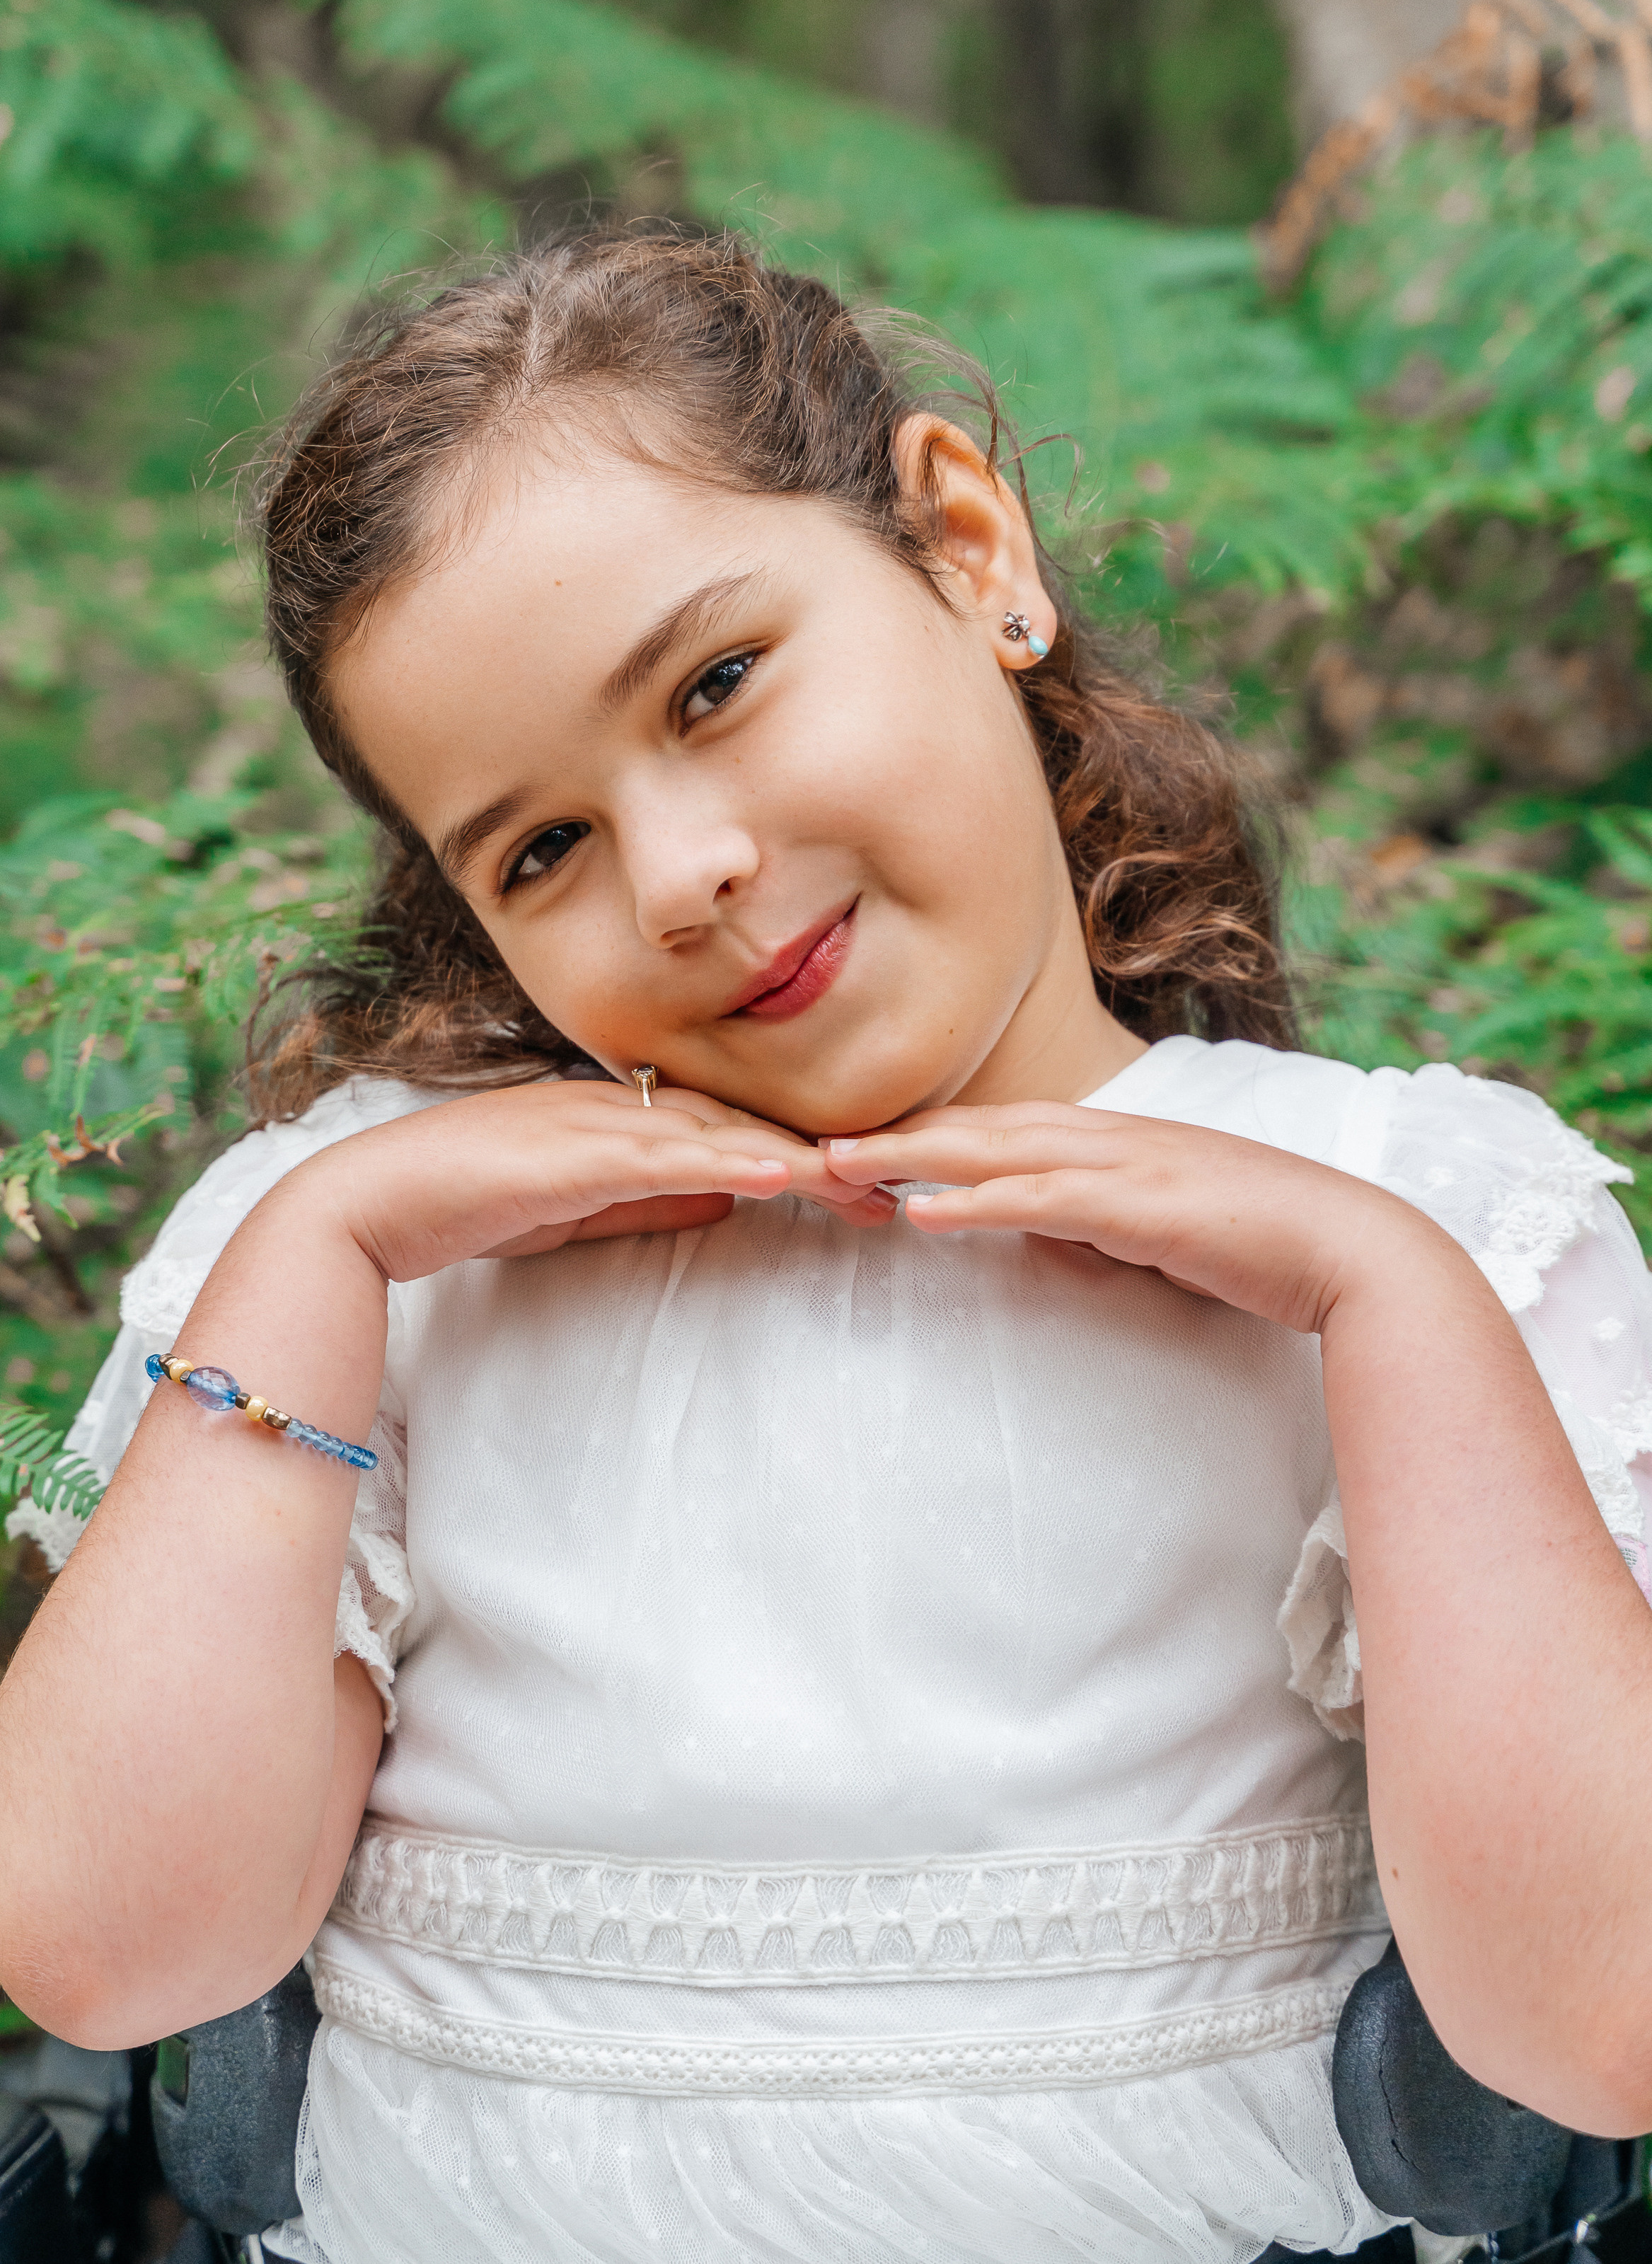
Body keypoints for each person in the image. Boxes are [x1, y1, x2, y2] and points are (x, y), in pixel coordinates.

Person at [1, 229, 1651, 2264]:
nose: (684, 873)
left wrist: (1393, 1306)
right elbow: (103, 1944)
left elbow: (1602, 2015)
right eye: (542, 847)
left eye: (717, 684)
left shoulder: (1427, 1218)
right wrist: (320, 1249)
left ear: (970, 547)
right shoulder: (372, 1265)